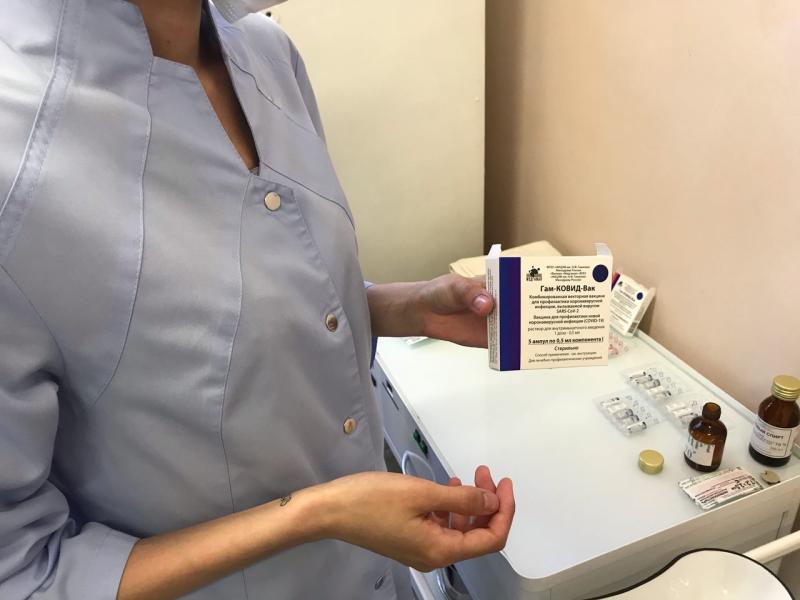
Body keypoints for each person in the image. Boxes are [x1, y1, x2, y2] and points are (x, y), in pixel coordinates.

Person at [0, 0, 515, 598]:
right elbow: (20, 573)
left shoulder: (267, 54)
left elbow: (224, 304)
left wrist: (404, 308)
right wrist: (318, 514)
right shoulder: (18, 154)